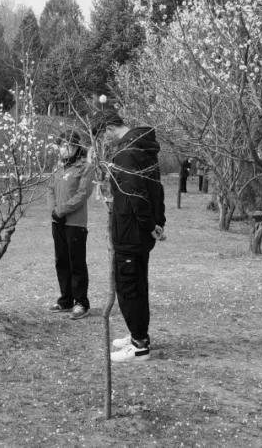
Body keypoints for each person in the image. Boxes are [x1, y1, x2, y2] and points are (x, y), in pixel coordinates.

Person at [91, 109, 166, 363]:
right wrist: (157, 222)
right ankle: (138, 334)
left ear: (109, 128)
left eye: (102, 136)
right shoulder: (144, 149)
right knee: (138, 284)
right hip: (138, 231)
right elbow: (156, 189)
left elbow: (136, 196)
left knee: (129, 287)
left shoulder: (126, 154)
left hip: (130, 233)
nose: (103, 142)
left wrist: (148, 224)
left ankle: (139, 346)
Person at [48, 130, 94, 320]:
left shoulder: (85, 167)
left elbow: (83, 194)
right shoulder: (57, 167)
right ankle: (65, 299)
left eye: (67, 145)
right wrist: (54, 211)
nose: (63, 149)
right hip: (56, 221)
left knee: (76, 263)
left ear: (76, 147)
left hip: (74, 222)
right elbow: (50, 188)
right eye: (61, 145)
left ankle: (81, 302)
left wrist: (62, 210)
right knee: (61, 261)